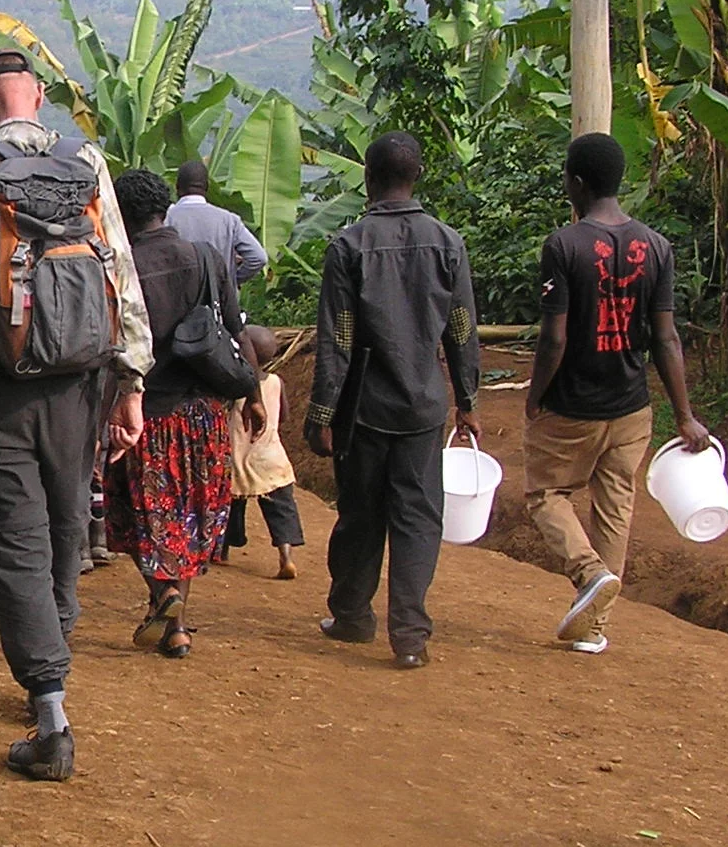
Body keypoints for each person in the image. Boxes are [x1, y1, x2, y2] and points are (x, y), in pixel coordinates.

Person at [0, 48, 151, 782]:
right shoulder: (87, 164)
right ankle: (51, 667)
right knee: (63, 525)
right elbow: (120, 273)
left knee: (12, 539)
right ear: (39, 98)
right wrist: (132, 381)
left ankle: (50, 712)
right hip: (80, 383)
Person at [526, 132, 712, 654]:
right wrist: (685, 416)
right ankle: (596, 627)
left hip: (572, 407)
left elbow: (555, 337)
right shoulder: (657, 246)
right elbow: (666, 337)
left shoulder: (563, 246)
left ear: (576, 183)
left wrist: (535, 395)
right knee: (614, 506)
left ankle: (588, 575)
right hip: (632, 408)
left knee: (546, 495)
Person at [304, 132, 481, 670]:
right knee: (418, 518)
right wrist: (468, 399)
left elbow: (339, 335)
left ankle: (353, 615)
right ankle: (410, 635)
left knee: (360, 514)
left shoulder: (349, 246)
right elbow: (461, 327)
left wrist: (322, 413)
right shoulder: (448, 243)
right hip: (424, 405)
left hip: (365, 407)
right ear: (417, 175)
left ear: (368, 177)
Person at [103, 167, 243, 659]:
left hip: (145, 411)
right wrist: (253, 394)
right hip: (204, 414)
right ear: (165, 207)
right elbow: (233, 330)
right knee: (190, 518)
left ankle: (163, 600)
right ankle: (178, 624)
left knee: (150, 516)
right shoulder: (204, 257)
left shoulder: (122, 268)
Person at [225, 324, 304, 580]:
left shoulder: (235, 385)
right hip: (271, 456)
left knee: (229, 506)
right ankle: (286, 556)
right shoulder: (276, 382)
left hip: (238, 455)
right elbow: (284, 417)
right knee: (282, 507)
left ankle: (222, 549)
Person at [165, 158, 268, 284]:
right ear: (207, 187)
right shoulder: (229, 220)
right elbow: (259, 257)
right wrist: (231, 281)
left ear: (177, 187)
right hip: (221, 299)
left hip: (180, 299)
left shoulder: (166, 218)